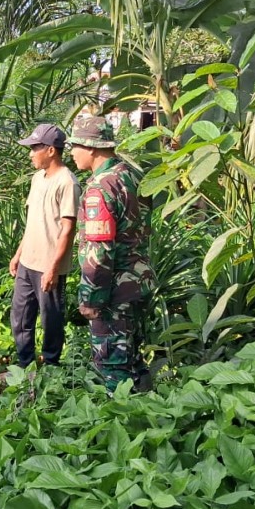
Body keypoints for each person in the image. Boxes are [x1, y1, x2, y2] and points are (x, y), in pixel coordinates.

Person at [69, 116, 157, 392]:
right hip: (139, 281)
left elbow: (99, 250)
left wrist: (91, 297)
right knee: (134, 359)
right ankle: (150, 409)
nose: (71, 152)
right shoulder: (132, 175)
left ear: (91, 147)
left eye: (75, 146)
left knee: (113, 365)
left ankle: (120, 414)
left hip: (114, 291)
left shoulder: (101, 187)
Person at [10, 123, 80, 368]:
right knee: (20, 315)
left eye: (35, 148)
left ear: (51, 150)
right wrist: (18, 254)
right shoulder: (37, 178)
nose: (31, 154)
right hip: (28, 261)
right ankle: (25, 365)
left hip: (49, 265)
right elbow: (33, 221)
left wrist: (53, 268)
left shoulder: (67, 182)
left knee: (51, 318)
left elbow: (68, 229)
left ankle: (51, 366)